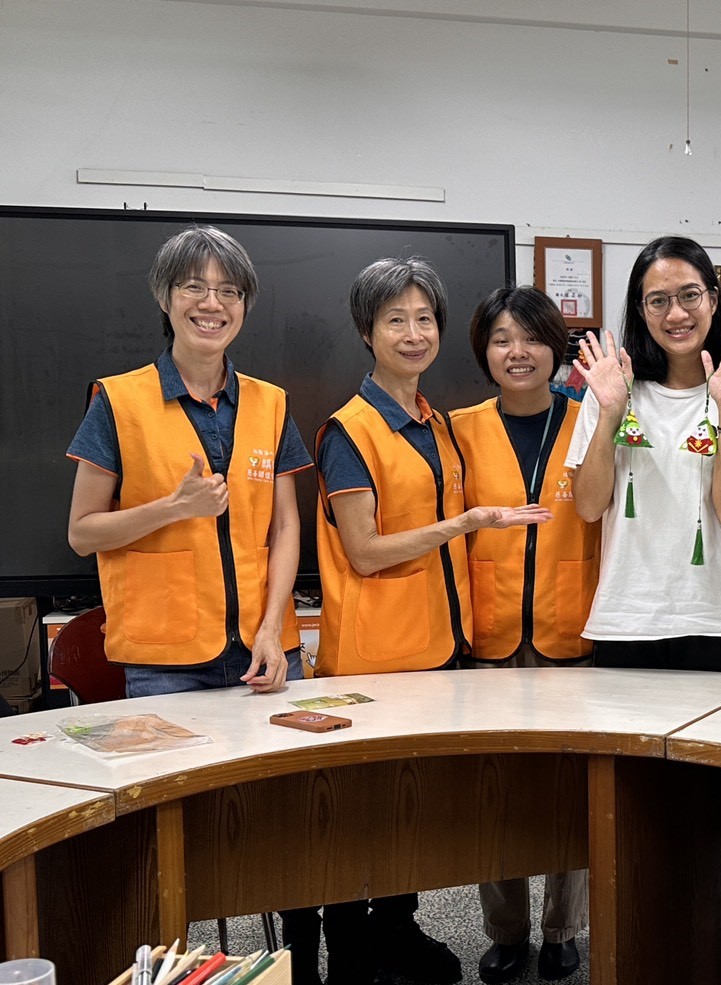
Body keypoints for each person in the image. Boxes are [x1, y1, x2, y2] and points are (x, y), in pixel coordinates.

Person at [286, 258, 549, 985]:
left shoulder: (436, 424)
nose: (413, 333)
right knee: (357, 821)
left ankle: (396, 932)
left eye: (425, 318)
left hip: (437, 654)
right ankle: (349, 959)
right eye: (394, 319)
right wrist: (461, 524)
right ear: (367, 332)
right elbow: (364, 550)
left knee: (409, 816)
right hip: (373, 661)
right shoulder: (349, 430)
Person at [66, 225, 310, 698]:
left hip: (266, 650)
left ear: (244, 305)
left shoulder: (272, 403)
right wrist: (175, 507)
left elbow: (285, 527)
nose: (212, 304)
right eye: (194, 287)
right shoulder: (117, 402)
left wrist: (272, 630)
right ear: (165, 297)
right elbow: (82, 534)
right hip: (164, 661)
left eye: (228, 291)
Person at [448, 286, 595, 983]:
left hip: (573, 634)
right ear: (484, 349)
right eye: (501, 338)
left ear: (555, 348)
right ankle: (506, 931)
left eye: (532, 337)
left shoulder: (590, 422)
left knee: (570, 793)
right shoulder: (457, 428)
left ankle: (563, 928)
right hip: (488, 633)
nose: (518, 352)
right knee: (496, 794)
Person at [566, 236, 721, 671]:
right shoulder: (614, 387)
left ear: (712, 299)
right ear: (641, 311)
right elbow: (588, 506)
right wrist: (610, 413)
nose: (676, 314)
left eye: (689, 295)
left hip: (718, 617)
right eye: (658, 301)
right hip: (625, 618)